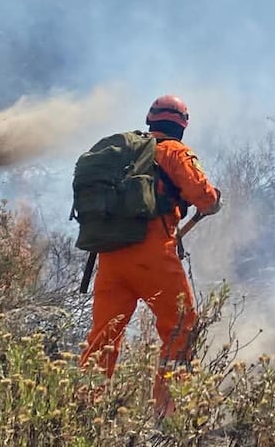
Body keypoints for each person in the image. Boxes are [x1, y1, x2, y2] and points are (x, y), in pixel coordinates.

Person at [79, 94, 222, 417]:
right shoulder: (174, 152)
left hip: (110, 258)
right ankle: (168, 415)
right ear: (182, 125)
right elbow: (204, 196)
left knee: (103, 336)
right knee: (181, 324)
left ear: (150, 120)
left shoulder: (125, 156)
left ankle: (84, 412)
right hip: (152, 254)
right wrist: (213, 202)